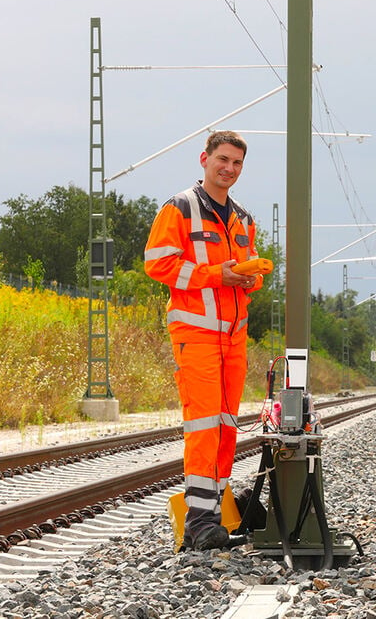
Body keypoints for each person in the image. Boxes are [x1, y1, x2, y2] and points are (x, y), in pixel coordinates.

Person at [144, 130, 263, 551]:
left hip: (234, 337)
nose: (229, 169)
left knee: (226, 426)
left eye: (237, 163)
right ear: (204, 158)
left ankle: (217, 511)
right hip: (195, 334)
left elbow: (243, 279)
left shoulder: (243, 218)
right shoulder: (179, 208)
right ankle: (199, 520)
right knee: (203, 426)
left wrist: (250, 278)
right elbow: (157, 264)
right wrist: (218, 274)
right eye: (223, 160)